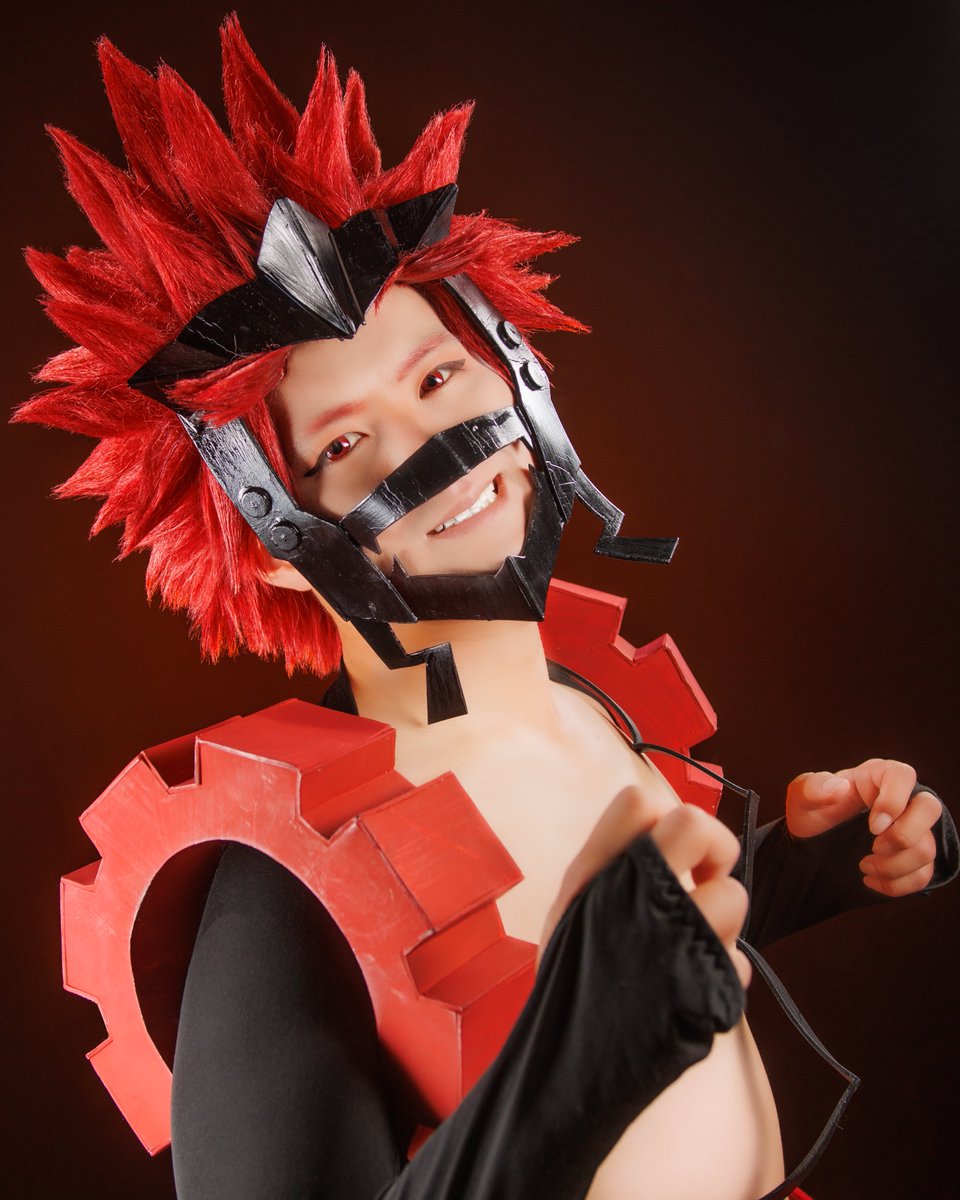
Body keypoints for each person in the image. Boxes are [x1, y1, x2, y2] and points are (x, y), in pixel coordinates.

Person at [19, 17, 956, 1200]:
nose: (438, 448)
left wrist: (820, 868)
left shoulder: (584, 695)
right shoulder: (287, 881)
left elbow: (559, 963)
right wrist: (576, 1051)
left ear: (514, 368)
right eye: (346, 443)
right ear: (269, 549)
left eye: (437, 377)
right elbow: (581, 998)